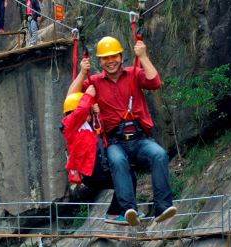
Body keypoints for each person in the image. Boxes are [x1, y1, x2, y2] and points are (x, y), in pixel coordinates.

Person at [67, 36, 177, 226]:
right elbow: (71, 97)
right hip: (114, 140)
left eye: (114, 57)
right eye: (105, 58)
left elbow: (155, 82)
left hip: (139, 138)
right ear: (99, 61)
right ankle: (128, 210)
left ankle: (162, 207)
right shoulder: (94, 82)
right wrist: (82, 74)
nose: (110, 61)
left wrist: (143, 56)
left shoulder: (134, 74)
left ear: (121, 56)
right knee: (118, 161)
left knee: (159, 154)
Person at [61, 87, 142, 225]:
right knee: (123, 177)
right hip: (90, 173)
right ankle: (121, 210)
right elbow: (78, 112)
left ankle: (115, 212)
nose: (89, 114)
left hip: (99, 169)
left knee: (128, 177)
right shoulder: (69, 126)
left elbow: (102, 136)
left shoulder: (88, 127)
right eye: (88, 112)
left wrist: (97, 114)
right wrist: (88, 96)